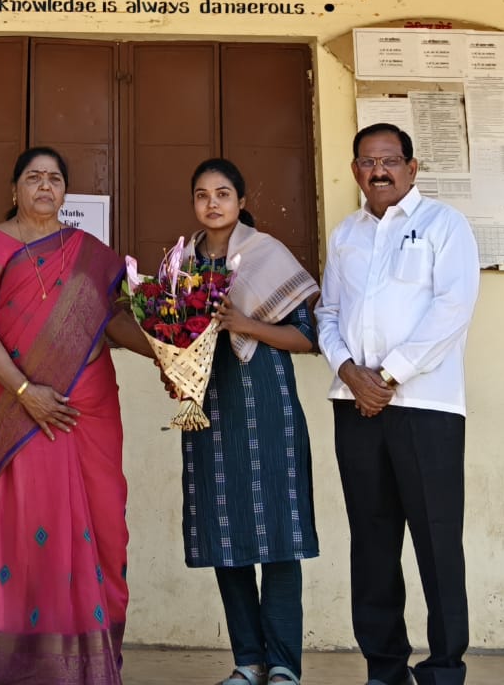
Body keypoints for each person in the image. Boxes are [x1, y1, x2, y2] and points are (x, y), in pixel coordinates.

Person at [0, 145, 152, 685]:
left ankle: (93, 663)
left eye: (54, 179)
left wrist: (174, 354)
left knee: (106, 526)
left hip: (90, 407)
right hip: (21, 410)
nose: (44, 186)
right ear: (14, 189)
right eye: (33, 177)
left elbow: (114, 323)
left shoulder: (89, 252)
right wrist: (26, 392)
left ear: (65, 191)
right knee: (29, 529)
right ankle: (28, 667)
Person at [316, 124, 481, 685]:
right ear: (355, 171)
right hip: (354, 406)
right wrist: (349, 372)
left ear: (412, 168)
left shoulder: (444, 225)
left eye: (390, 160)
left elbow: (453, 309)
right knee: (372, 541)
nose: (379, 170)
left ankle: (444, 668)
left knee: (437, 539)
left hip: (426, 407)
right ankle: (384, 667)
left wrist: (386, 377)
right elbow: (327, 314)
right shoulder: (346, 234)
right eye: (368, 161)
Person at [176, 157, 320, 685]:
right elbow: (172, 334)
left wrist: (245, 324)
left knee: (278, 533)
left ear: (241, 200)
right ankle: (248, 662)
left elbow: (305, 337)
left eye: (222, 194)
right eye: (202, 195)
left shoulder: (267, 255)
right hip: (208, 407)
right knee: (226, 533)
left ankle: (283, 666)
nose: (212, 203)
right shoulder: (181, 262)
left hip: (267, 405)